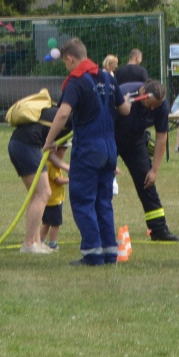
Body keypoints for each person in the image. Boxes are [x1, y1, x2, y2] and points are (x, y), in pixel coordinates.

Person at [42, 37, 128, 266]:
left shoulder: (76, 81)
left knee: (83, 201)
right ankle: (110, 253)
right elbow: (125, 109)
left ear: (70, 58)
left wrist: (49, 141)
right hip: (109, 149)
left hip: (88, 149)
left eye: (65, 63)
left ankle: (92, 254)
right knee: (103, 202)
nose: (66, 67)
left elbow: (63, 113)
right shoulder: (109, 78)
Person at [114, 73, 179, 241]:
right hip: (112, 137)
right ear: (143, 92)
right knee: (103, 184)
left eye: (155, 107)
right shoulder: (123, 93)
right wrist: (108, 160)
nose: (152, 109)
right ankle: (100, 232)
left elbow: (161, 136)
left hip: (136, 142)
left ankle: (158, 230)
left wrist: (154, 170)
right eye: (149, 105)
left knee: (147, 183)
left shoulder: (161, 105)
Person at [6, 91, 64, 254]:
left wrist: (65, 167)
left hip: (21, 145)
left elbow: (49, 148)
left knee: (38, 195)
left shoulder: (59, 114)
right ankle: (29, 243)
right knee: (43, 193)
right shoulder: (68, 116)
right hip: (25, 146)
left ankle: (36, 242)